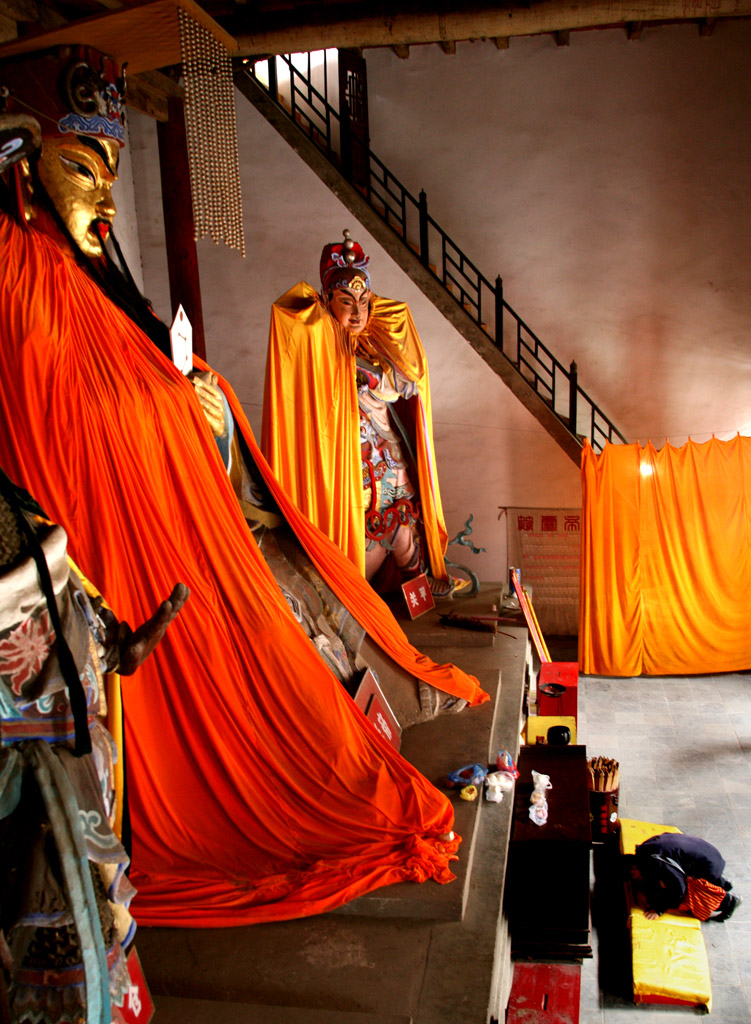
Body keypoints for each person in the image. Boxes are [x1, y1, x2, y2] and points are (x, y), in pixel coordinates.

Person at [0, 42, 487, 928]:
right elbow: (69, 415)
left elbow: (398, 382)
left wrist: (206, 402)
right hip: (84, 546)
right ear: (25, 163)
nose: (103, 197)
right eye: (81, 167)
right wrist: (186, 407)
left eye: (110, 170)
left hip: (317, 496)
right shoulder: (23, 268)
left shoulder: (88, 282)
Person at [0, 470, 187, 1024]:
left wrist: (112, 644)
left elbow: (69, 611)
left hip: (68, 773)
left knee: (84, 946)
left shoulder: (16, 504)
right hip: (31, 786)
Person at [263, 229, 456, 595]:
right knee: (350, 538)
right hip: (343, 461)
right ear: (326, 299)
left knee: (402, 522)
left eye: (364, 301)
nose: (357, 312)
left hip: (383, 448)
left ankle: (419, 589)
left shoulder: (373, 340)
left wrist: (373, 373)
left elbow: (409, 379)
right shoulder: (316, 344)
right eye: (346, 301)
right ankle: (350, 601)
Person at [630, 831, 742, 922]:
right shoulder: (644, 849)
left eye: (634, 876)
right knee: (668, 878)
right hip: (707, 852)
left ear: (634, 869)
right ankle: (722, 882)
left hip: (709, 866)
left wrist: (659, 909)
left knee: (692, 895)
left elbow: (679, 888)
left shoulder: (655, 862)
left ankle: (729, 901)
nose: (636, 879)